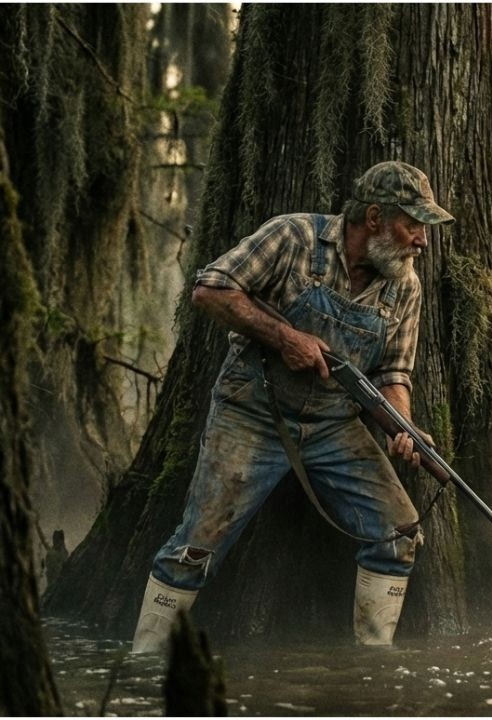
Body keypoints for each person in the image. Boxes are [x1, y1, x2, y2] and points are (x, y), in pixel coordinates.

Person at [131, 161, 454, 653]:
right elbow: (211, 288)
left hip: (334, 426)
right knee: (193, 549)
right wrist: (285, 337)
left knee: (399, 533)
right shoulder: (293, 237)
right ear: (373, 218)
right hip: (252, 415)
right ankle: (143, 663)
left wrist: (401, 427)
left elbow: (392, 373)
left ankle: (373, 665)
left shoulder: (405, 285)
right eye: (413, 225)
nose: (422, 241)